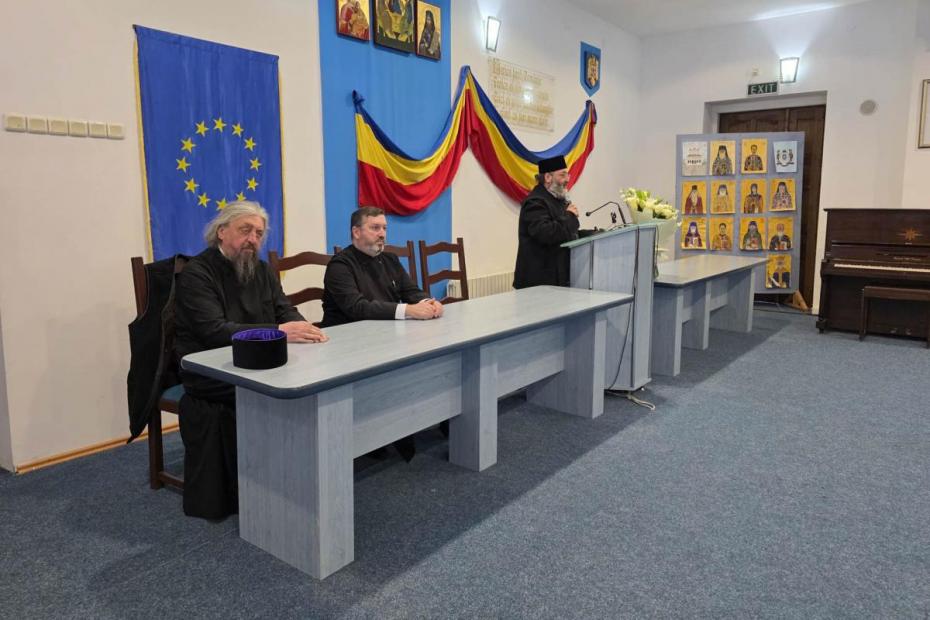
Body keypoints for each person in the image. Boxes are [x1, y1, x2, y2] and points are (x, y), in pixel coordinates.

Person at [174, 201, 328, 520]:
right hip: (211, 369)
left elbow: (283, 309)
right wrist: (279, 331)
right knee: (285, 393)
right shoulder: (197, 274)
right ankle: (266, 486)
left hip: (260, 360)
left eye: (258, 233)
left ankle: (292, 479)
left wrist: (305, 329)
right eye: (245, 230)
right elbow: (214, 331)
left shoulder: (261, 269)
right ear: (221, 232)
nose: (253, 239)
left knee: (310, 382)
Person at [322, 206, 443, 461]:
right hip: (348, 345)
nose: (382, 234)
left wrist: (429, 302)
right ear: (356, 232)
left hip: (386, 337)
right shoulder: (340, 265)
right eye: (375, 228)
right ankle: (378, 433)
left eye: (384, 228)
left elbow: (411, 291)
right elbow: (357, 308)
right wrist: (408, 310)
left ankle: (429, 418)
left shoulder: (389, 260)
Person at [513, 155, 580, 288]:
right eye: (562, 175)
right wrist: (570, 216)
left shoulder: (559, 200)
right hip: (537, 282)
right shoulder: (535, 202)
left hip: (555, 278)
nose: (567, 180)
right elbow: (547, 233)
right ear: (548, 177)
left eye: (567, 175)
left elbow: (566, 231)